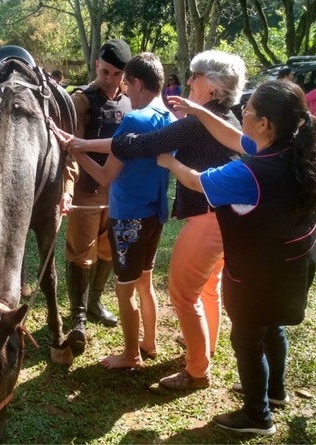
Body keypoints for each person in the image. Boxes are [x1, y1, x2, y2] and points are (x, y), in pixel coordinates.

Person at [159, 80, 316, 434]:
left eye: (249, 110)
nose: (243, 112)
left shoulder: (249, 173)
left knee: (246, 337)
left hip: (259, 274)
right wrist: (197, 112)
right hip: (293, 265)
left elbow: (197, 181)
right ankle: (275, 392)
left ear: (265, 124)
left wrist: (168, 161)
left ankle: (257, 416)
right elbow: (231, 137)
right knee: (273, 327)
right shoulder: (294, 150)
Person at [64, 50, 246, 389]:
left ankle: (186, 367)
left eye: (195, 76)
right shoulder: (214, 118)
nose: (189, 81)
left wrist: (80, 145)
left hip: (179, 219)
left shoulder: (188, 121)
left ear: (214, 85)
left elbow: (135, 147)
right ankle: (192, 347)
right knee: (203, 288)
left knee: (174, 294)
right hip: (193, 217)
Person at [54, 53, 176, 368]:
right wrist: (81, 142)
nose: (125, 91)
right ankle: (149, 343)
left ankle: (131, 354)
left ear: (135, 81)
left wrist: (74, 149)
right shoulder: (167, 118)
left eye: (126, 83)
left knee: (125, 292)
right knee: (145, 284)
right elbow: (121, 144)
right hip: (154, 215)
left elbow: (106, 175)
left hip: (128, 219)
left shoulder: (135, 118)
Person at [61, 39, 132, 356]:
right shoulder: (82, 100)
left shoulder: (130, 102)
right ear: (96, 66)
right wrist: (68, 188)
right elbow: (70, 149)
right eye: (105, 71)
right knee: (80, 253)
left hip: (117, 194)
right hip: (86, 192)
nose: (110, 79)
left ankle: (94, 303)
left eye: (117, 74)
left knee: (108, 251)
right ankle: (77, 318)